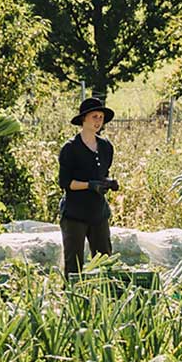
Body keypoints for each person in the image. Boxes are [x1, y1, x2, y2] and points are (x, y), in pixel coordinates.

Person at [57, 96, 119, 277]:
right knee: (74, 266)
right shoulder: (70, 148)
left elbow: (101, 173)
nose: (98, 121)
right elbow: (65, 183)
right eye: (94, 117)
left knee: (105, 262)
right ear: (83, 119)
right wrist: (89, 185)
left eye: (101, 117)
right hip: (75, 214)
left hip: (98, 212)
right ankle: (73, 293)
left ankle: (103, 293)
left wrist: (108, 183)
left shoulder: (106, 146)